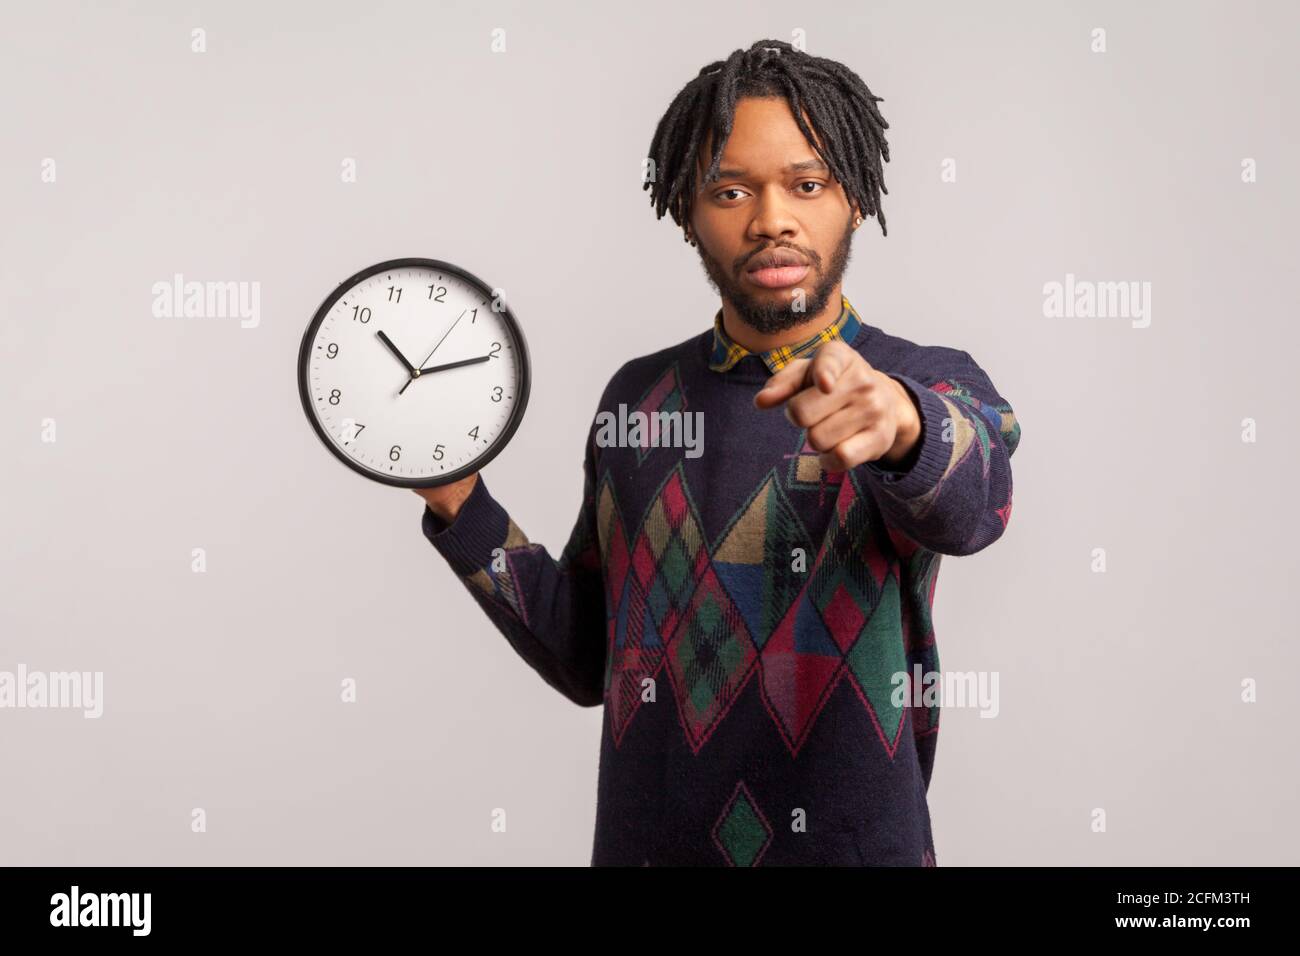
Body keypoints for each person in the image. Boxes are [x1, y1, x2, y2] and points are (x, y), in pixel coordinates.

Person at [415, 39, 1021, 866]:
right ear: (685, 212)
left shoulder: (918, 380)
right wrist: (458, 500)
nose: (772, 218)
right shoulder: (637, 400)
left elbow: (975, 501)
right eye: (731, 190)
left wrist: (905, 425)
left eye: (807, 185)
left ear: (853, 199)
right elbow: (590, 658)